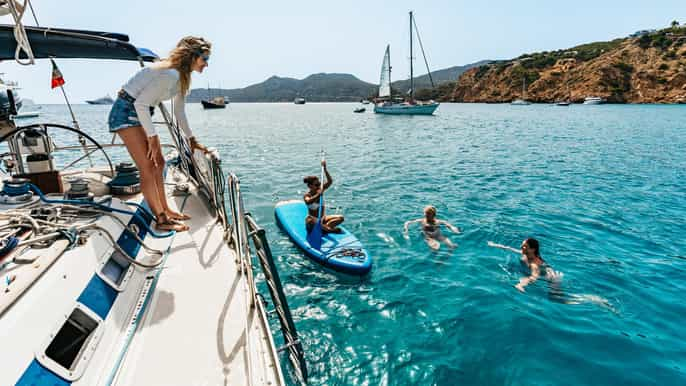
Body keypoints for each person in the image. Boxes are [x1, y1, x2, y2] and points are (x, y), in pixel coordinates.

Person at [108, 36, 211, 231]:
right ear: (192, 56)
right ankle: (161, 219)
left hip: (140, 112)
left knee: (160, 163)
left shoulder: (182, 77)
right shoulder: (170, 74)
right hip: (126, 112)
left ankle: (166, 209)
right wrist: (152, 139)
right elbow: (140, 104)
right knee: (147, 165)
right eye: (205, 59)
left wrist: (192, 139)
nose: (206, 64)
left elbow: (179, 112)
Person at [488, 238, 561, 292]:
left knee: (555, 296)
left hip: (551, 278)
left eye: (524, 246)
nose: (521, 247)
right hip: (544, 272)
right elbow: (509, 248)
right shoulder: (526, 254)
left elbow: (533, 277)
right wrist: (494, 245)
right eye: (522, 245)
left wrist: (521, 285)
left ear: (532, 249)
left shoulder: (534, 264)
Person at [303, 160, 344, 233]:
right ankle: (328, 229)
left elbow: (330, 181)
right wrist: (319, 194)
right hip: (312, 220)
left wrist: (325, 169)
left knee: (341, 218)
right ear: (310, 186)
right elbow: (308, 202)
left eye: (319, 183)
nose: (319, 185)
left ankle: (325, 228)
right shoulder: (307, 195)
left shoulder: (320, 189)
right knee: (311, 221)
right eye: (316, 185)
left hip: (322, 219)